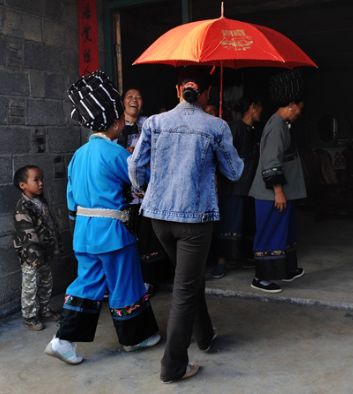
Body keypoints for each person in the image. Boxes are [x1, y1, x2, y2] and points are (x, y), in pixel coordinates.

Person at [128, 66, 244, 384]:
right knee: (185, 288)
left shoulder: (154, 122)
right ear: (206, 93)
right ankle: (173, 366)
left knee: (188, 279)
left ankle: (204, 336)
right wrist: (219, 141)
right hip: (195, 221)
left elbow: (135, 166)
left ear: (178, 90)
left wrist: (144, 190)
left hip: (158, 218)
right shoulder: (215, 125)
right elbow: (234, 171)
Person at [44, 71, 160, 365]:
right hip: (113, 233)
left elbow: (71, 199)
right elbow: (142, 182)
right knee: (125, 282)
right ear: (117, 122)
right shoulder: (115, 152)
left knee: (87, 284)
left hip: (84, 233)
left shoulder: (78, 155)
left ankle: (62, 340)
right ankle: (135, 338)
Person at [248, 69, 307, 294]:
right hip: (271, 194)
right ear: (291, 105)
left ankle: (286, 269)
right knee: (269, 232)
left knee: (284, 232)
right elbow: (271, 160)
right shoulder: (276, 125)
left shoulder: (282, 124)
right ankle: (260, 278)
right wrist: (278, 191)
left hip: (280, 193)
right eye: (299, 107)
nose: (300, 112)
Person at [116, 88, 170, 296]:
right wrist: (125, 153)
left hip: (147, 193)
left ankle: (147, 281)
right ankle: (128, 281)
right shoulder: (115, 125)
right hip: (123, 195)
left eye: (139, 97)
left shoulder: (149, 124)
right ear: (123, 102)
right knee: (125, 239)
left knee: (148, 238)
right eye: (130, 97)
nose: (134, 100)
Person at [212, 92, 263, 279]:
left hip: (249, 186)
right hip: (233, 187)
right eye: (260, 107)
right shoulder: (235, 128)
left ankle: (247, 256)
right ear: (253, 107)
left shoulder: (252, 130)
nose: (262, 111)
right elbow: (223, 156)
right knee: (229, 223)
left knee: (247, 223)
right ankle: (221, 262)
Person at [12, 165, 62, 331]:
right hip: (31, 256)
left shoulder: (40, 201)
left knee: (46, 282)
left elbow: (50, 225)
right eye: (36, 180)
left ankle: (44, 310)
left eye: (42, 179)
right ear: (23, 185)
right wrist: (35, 256)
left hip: (44, 253)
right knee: (30, 286)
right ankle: (29, 317)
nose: (41, 183)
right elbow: (27, 233)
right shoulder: (23, 207)